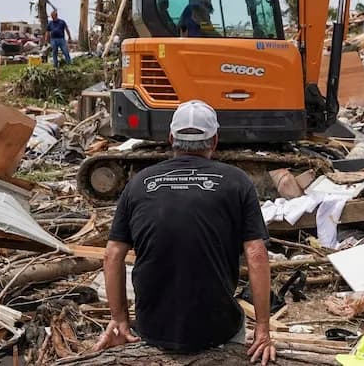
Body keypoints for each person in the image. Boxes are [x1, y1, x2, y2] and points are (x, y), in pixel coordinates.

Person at [96, 100, 276, 365]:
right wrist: (263, 329)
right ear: (214, 140)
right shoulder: (237, 181)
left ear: (171, 139)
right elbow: (257, 254)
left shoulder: (139, 183)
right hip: (217, 331)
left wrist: (120, 319)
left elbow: (112, 255)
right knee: (234, 323)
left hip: (153, 330)